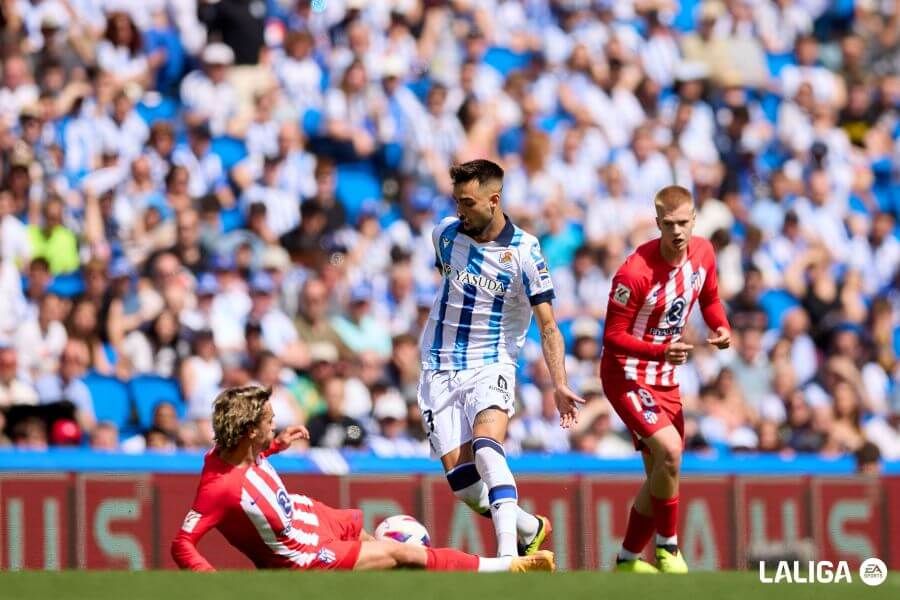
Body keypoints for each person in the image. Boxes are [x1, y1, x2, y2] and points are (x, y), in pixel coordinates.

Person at [171, 385, 554, 573]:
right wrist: (216, 586)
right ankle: (505, 567)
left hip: (308, 515)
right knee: (399, 551)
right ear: (250, 430)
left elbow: (246, 467)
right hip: (302, 555)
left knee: (375, 545)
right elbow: (182, 544)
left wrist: (275, 448)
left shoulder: (231, 451)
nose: (277, 424)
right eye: (270, 421)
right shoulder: (218, 488)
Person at [417, 159, 584, 557]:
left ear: (494, 200)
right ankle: (531, 527)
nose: (460, 211)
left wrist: (559, 381)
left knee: (488, 448)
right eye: (456, 201)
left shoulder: (525, 252)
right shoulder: (444, 234)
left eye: (468, 202)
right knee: (464, 486)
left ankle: (509, 558)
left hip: (492, 362)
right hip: (437, 367)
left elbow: (547, 325)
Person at [600, 185, 731, 574]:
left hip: (665, 379)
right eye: (669, 224)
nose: (677, 231)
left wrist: (721, 326)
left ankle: (626, 561)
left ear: (694, 221)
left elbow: (709, 298)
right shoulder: (634, 272)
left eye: (684, 223)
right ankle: (668, 549)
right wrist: (660, 351)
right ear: (657, 223)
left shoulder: (704, 253)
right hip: (626, 375)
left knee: (662, 473)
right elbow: (612, 336)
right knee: (671, 452)